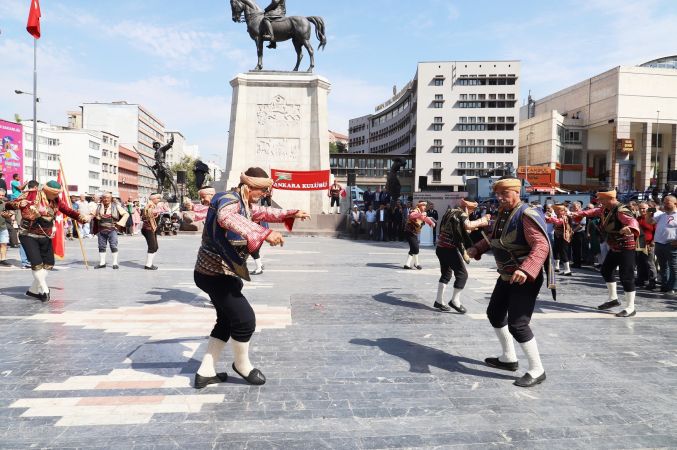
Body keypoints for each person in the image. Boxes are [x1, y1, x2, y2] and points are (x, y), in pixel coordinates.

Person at [193, 167, 310, 388]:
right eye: (261, 190)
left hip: (217, 273)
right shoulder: (227, 199)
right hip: (215, 273)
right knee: (245, 321)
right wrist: (264, 233)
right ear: (248, 186)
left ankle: (205, 372)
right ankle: (242, 365)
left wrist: (290, 213)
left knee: (226, 321)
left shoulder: (243, 202)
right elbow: (226, 217)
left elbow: (262, 213)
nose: (263, 195)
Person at [467, 177, 554, 388]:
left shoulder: (526, 214)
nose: (499, 198)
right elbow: (493, 237)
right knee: (494, 313)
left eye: (504, 194)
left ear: (516, 192)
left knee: (518, 324)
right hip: (507, 276)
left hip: (525, 277)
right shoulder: (504, 214)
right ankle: (508, 358)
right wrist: (476, 249)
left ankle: (537, 369)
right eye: (497, 194)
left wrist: (526, 269)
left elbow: (541, 245)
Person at [6, 180, 89, 301]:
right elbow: (9, 205)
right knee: (36, 263)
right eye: (54, 194)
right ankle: (44, 290)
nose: (57, 197)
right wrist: (18, 204)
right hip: (28, 234)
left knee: (49, 263)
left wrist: (80, 217)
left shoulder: (56, 200)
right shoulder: (31, 194)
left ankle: (33, 290)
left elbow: (67, 210)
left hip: (45, 235)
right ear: (47, 191)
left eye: (57, 194)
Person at [572, 189, 639, 317]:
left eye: (601, 199)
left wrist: (629, 228)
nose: (599, 202)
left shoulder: (621, 210)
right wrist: (575, 213)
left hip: (626, 246)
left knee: (626, 276)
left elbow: (632, 221)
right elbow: (592, 211)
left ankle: (631, 307)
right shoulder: (605, 209)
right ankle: (613, 299)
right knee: (606, 270)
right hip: (615, 246)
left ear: (610, 199)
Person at [434, 198, 491, 313]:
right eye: (472, 209)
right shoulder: (461, 213)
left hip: (440, 247)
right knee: (462, 274)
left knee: (446, 274)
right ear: (467, 207)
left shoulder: (451, 211)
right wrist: (483, 220)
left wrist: (470, 228)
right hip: (449, 249)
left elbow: (459, 229)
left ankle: (439, 301)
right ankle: (455, 301)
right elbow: (468, 225)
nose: (472, 211)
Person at [92, 192, 130, 269]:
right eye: (104, 197)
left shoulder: (116, 206)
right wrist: (82, 217)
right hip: (101, 229)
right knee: (101, 246)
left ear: (111, 198)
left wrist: (119, 224)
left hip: (112, 229)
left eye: (108, 197)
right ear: (102, 198)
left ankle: (115, 263)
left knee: (113, 245)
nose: (106, 199)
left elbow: (126, 214)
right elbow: (91, 214)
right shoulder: (98, 207)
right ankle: (102, 263)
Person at [648, 195, 677, 295]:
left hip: (671, 244)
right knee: (663, 266)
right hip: (659, 244)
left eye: (667, 202)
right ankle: (665, 286)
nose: (664, 204)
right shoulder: (662, 215)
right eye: (664, 202)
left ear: (675, 204)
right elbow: (650, 222)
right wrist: (649, 212)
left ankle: (673, 287)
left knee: (674, 267)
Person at [403, 201, 435, 270]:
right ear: (420, 206)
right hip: (409, 231)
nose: (425, 207)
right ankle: (416, 263)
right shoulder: (415, 211)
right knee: (416, 247)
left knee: (413, 248)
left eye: (425, 206)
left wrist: (431, 223)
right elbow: (411, 216)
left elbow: (425, 218)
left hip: (414, 233)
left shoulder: (422, 213)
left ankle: (407, 264)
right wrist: (421, 215)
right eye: (423, 206)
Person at [141, 194, 169, 270]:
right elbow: (150, 212)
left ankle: (150, 263)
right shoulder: (149, 206)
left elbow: (167, 210)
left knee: (155, 247)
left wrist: (163, 206)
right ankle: (148, 265)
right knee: (152, 246)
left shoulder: (155, 205)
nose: (160, 199)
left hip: (153, 228)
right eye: (158, 198)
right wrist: (160, 208)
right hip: (148, 229)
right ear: (153, 199)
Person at [545, 204, 573, 276]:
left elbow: (558, 222)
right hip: (557, 235)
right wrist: (546, 217)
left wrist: (550, 217)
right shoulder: (558, 216)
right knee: (556, 250)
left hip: (563, 236)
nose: (556, 211)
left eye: (558, 210)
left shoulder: (565, 216)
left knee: (563, 252)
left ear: (562, 211)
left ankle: (567, 270)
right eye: (556, 210)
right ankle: (557, 267)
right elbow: (550, 221)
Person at [636, 202, 657, 290]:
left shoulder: (653, 219)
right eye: (640, 208)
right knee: (640, 263)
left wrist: (652, 242)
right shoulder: (638, 218)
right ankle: (642, 280)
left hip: (649, 244)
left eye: (644, 208)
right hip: (639, 243)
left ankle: (652, 281)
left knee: (649, 263)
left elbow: (656, 232)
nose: (642, 210)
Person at [570, 201, 587, 268]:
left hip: (579, 233)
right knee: (574, 248)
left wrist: (573, 231)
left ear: (579, 207)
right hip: (574, 232)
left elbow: (581, 225)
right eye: (572, 206)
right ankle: (575, 262)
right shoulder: (573, 213)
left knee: (578, 249)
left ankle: (578, 263)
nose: (573, 208)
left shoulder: (582, 213)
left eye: (574, 206)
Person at [0, 188, 10, 266]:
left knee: (4, 243)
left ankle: (3, 259)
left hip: (3, 226)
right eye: (0, 195)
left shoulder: (4, 203)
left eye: (2, 195)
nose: (1, 197)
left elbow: (8, 213)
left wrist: (8, 215)